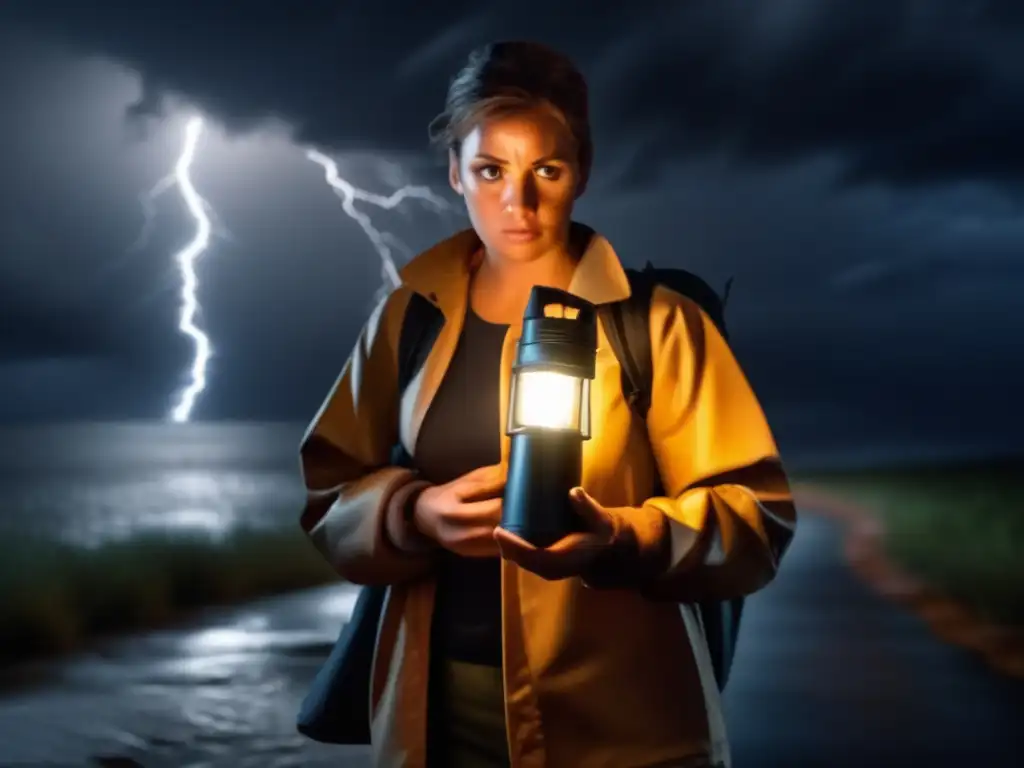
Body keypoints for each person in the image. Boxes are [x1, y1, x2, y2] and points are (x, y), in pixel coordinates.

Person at [299, 40, 797, 768]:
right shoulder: (409, 319)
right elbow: (328, 493)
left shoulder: (655, 326)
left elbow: (756, 519)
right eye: (491, 170)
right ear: (454, 173)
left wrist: (624, 540)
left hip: (622, 730)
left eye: (547, 171)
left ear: (582, 171)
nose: (518, 202)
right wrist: (412, 514)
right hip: (433, 721)